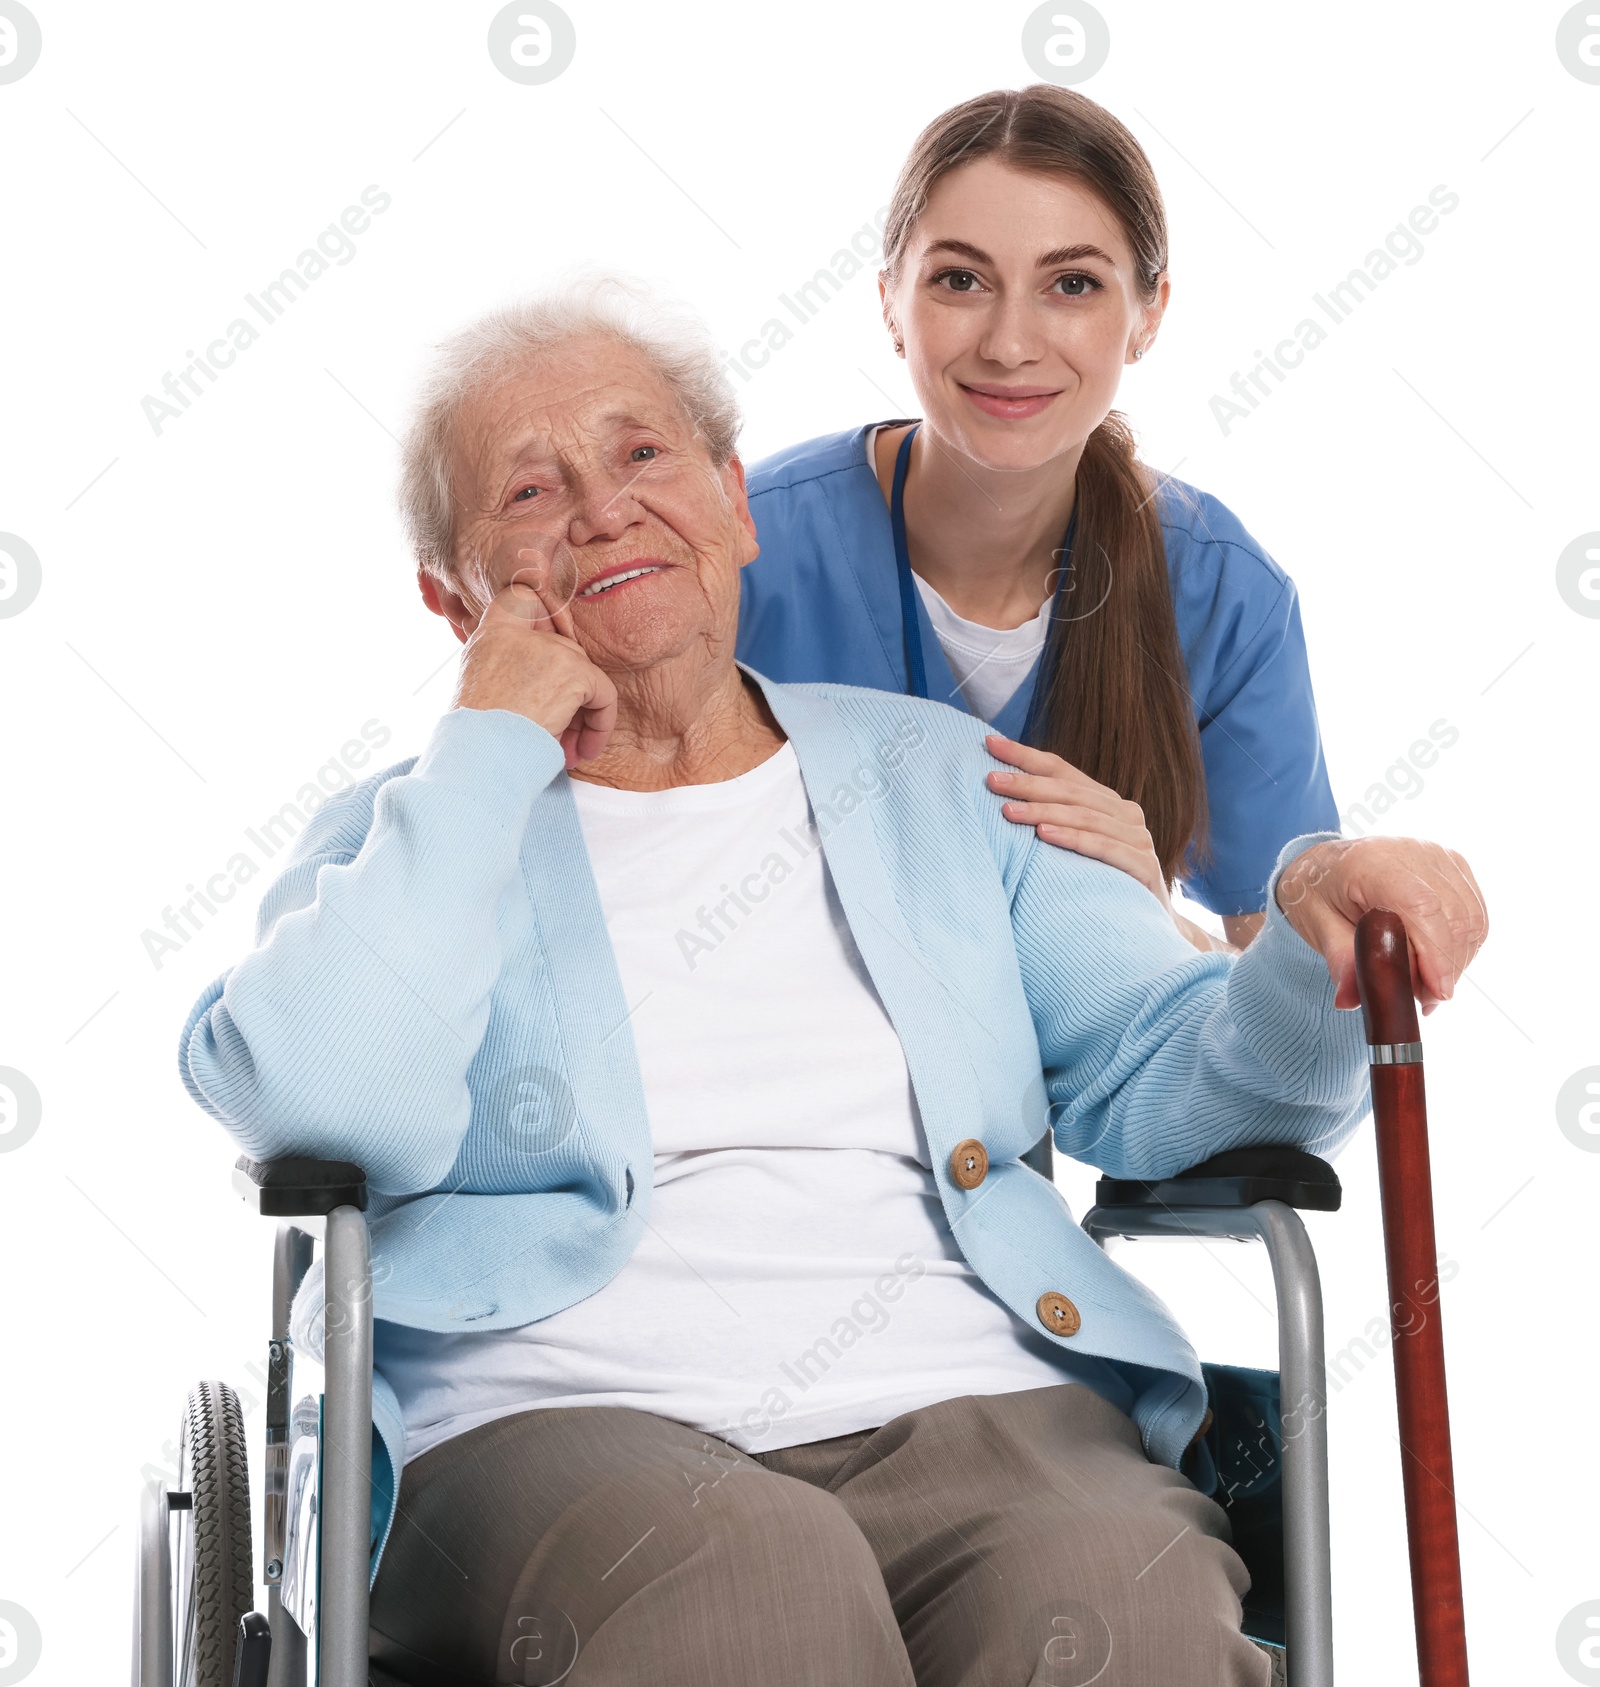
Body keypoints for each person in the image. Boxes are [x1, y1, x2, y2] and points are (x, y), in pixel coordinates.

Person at [178, 282, 1486, 1687]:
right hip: (549, 1418)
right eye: (530, 491)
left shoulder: (939, 777)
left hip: (979, 1400)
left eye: (642, 455)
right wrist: (488, 749)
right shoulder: (412, 830)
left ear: (737, 504)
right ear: (454, 597)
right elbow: (310, 1094)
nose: (606, 509)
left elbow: (1182, 1081)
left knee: (1129, 1597)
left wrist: (1309, 955)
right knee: (754, 1597)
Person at [739, 85, 1336, 955]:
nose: (1011, 344)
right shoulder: (740, 552)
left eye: (1073, 284)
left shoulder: (1223, 594)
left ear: (1149, 313)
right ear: (887, 304)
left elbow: (1310, 1039)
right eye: (960, 280)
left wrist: (1149, 922)